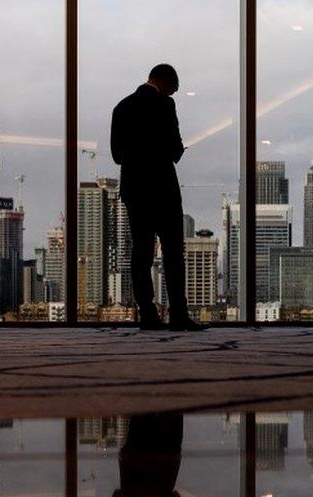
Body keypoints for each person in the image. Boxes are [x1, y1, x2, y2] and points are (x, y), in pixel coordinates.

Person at [111, 64, 207, 331]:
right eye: (173, 90)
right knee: (173, 254)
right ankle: (178, 314)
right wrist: (172, 150)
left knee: (141, 253)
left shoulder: (121, 107)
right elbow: (174, 149)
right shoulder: (164, 106)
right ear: (165, 81)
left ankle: (148, 315)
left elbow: (117, 154)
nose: (172, 94)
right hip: (163, 188)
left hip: (135, 190)